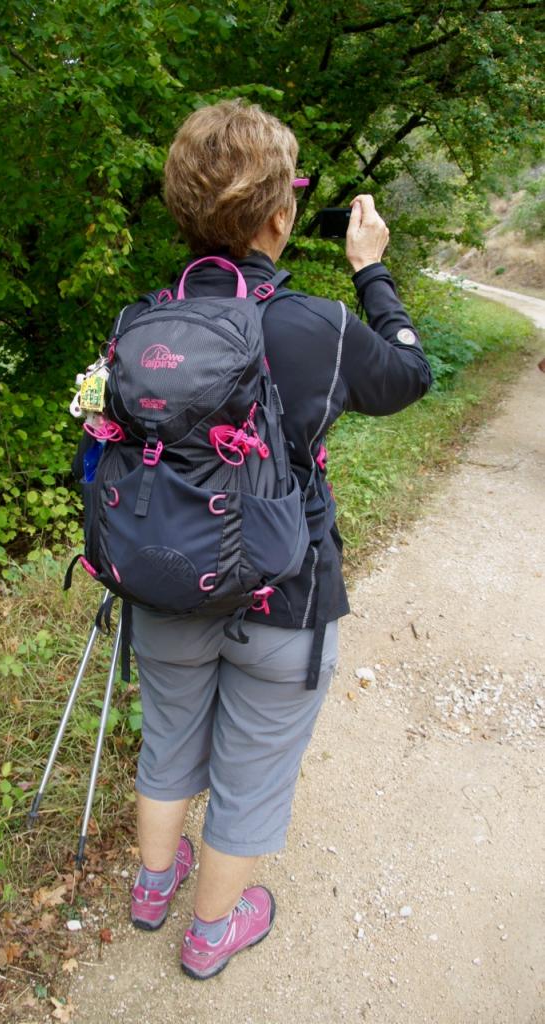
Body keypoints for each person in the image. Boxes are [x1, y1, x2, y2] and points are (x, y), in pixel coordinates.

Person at [119, 99, 433, 980]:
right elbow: (410, 373)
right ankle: (214, 931)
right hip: (282, 599)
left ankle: (153, 887)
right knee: (253, 769)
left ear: (184, 208)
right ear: (280, 214)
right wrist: (371, 272)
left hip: (167, 578)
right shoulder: (318, 326)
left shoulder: (144, 323)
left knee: (169, 735)